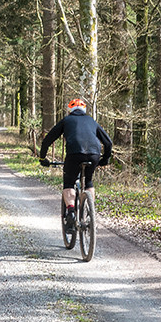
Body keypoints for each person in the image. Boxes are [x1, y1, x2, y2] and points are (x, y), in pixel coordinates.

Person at [39, 98, 112, 229]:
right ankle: (90, 211)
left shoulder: (66, 120)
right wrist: (104, 159)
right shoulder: (91, 121)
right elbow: (108, 143)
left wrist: (42, 158)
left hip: (74, 154)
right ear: (84, 110)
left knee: (69, 182)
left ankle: (71, 211)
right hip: (94, 154)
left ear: (70, 111)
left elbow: (48, 140)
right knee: (88, 181)